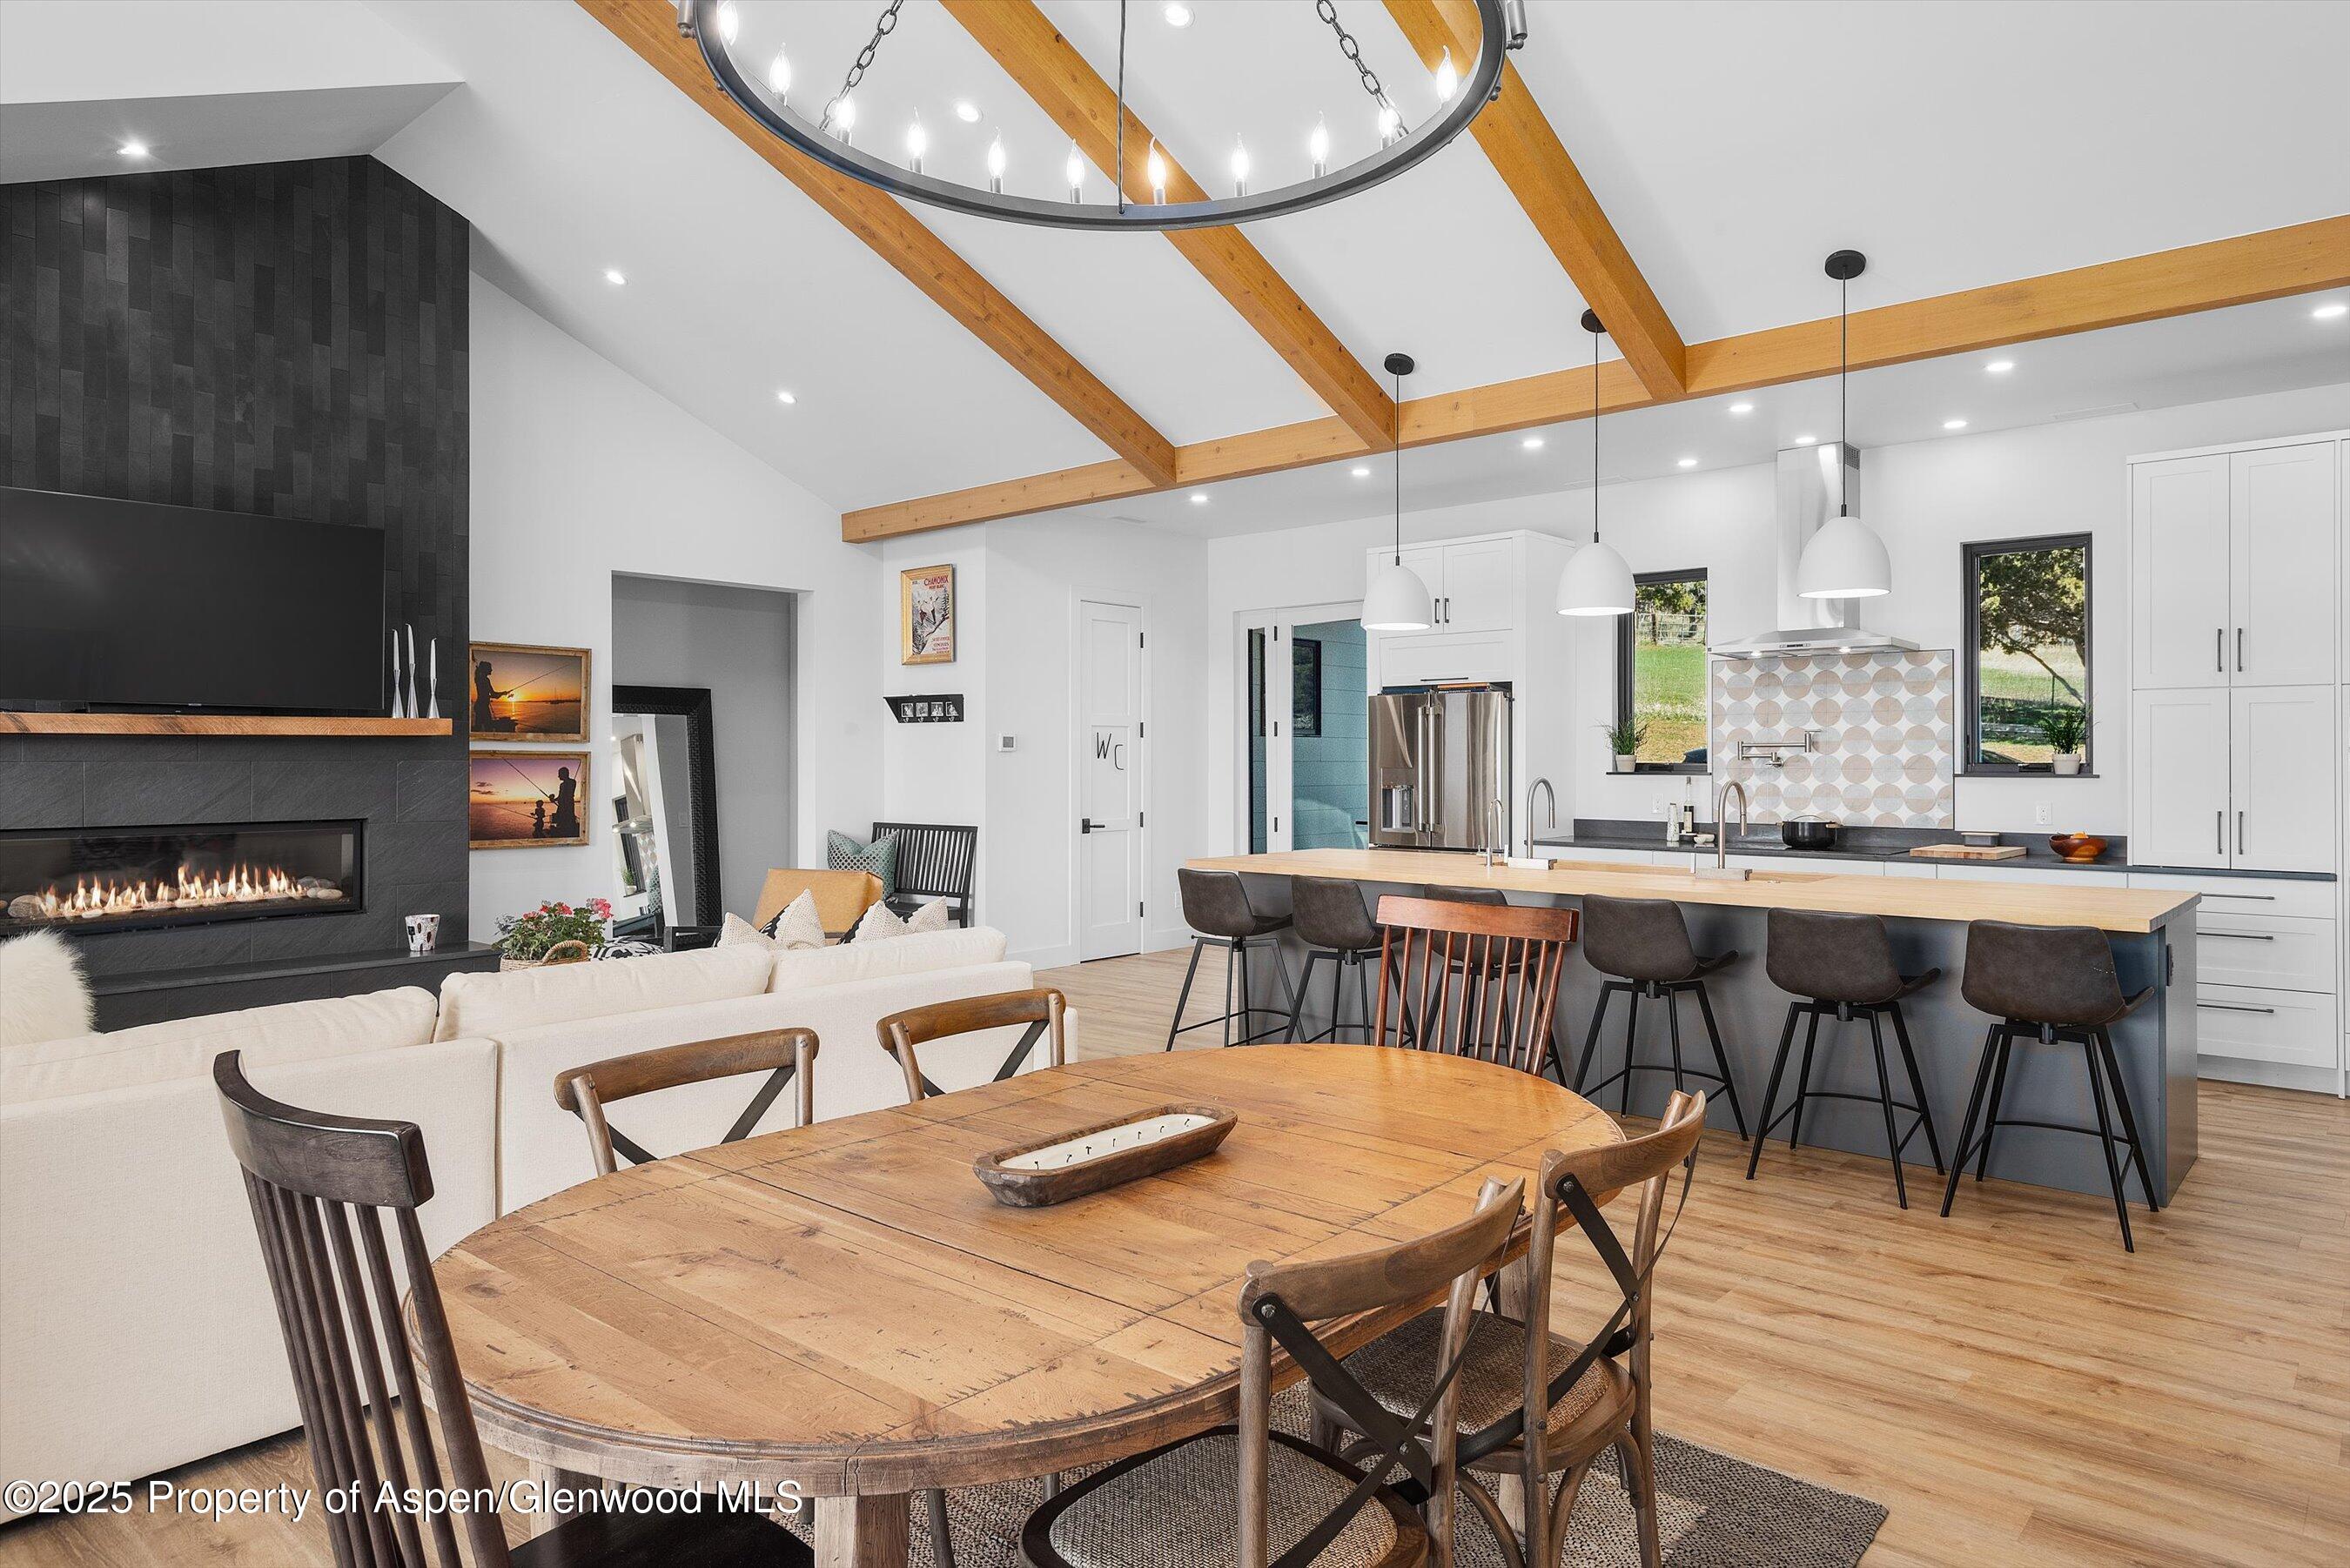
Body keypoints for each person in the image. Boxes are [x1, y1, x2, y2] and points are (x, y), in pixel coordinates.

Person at [471, 660, 512, 732]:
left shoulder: (479, 678)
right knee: (488, 728)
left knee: (479, 727)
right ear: (486, 669)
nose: (491, 670)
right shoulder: (485, 680)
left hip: (480, 706)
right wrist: (503, 693)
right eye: (490, 668)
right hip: (483, 707)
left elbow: (489, 695)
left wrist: (502, 693)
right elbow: (493, 694)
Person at [550, 767, 580, 840]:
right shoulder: (561, 785)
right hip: (561, 806)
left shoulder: (572, 782)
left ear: (565, 774)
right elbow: (560, 796)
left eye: (559, 774)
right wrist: (554, 799)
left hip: (568, 806)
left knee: (569, 821)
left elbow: (569, 794)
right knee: (561, 822)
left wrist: (561, 801)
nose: (558, 776)